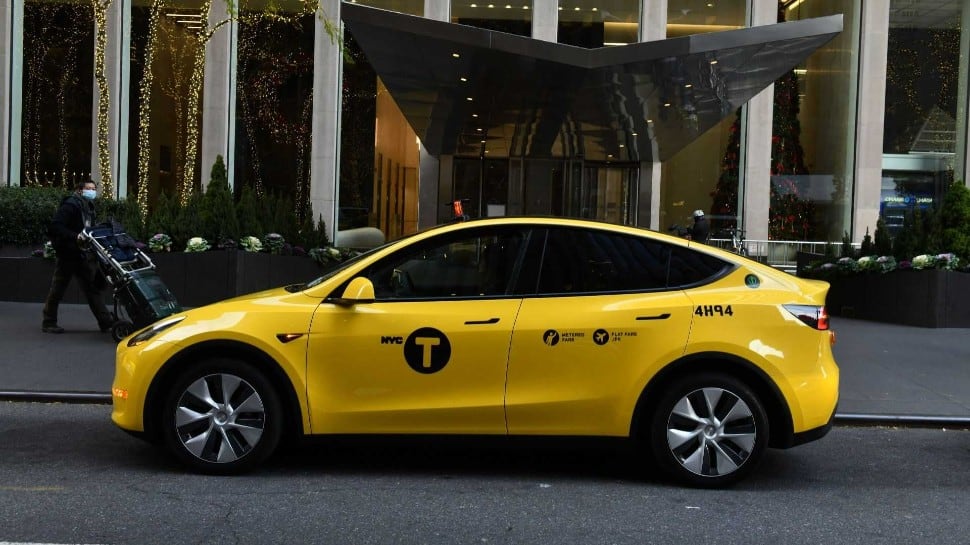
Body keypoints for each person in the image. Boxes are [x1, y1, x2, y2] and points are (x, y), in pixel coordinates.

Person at [41, 181, 114, 334]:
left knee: (91, 288)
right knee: (59, 288)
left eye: (94, 189)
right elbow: (55, 226)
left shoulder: (88, 207)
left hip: (81, 253)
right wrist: (76, 236)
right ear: (79, 190)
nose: (92, 191)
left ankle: (106, 322)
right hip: (68, 253)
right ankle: (48, 322)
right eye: (88, 189)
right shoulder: (71, 205)